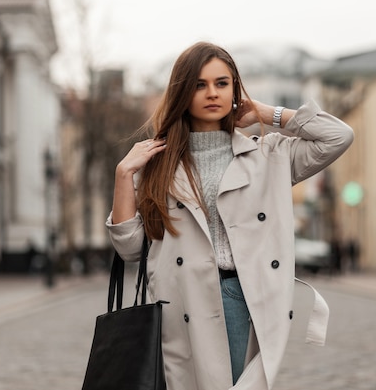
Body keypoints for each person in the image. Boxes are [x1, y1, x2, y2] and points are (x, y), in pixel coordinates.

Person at [106, 41, 354, 390]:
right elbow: (130, 249)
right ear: (182, 92)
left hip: (239, 294)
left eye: (222, 83)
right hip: (179, 303)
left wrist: (269, 114)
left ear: (235, 89)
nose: (212, 93)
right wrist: (123, 176)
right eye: (199, 84)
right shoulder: (157, 165)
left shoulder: (267, 156)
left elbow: (338, 137)